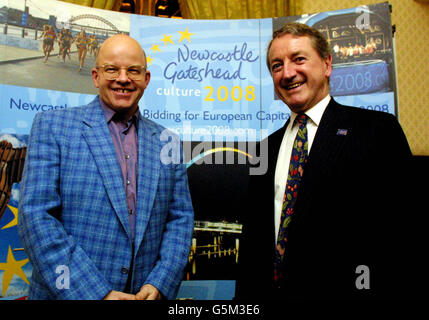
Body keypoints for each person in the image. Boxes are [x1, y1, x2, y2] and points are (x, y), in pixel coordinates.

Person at [236, 22, 424, 299]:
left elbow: (406, 232)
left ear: (326, 65)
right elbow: (254, 243)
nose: (287, 73)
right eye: (277, 66)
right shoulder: (266, 148)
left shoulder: (376, 130)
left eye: (298, 59)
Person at [18, 34, 194, 300]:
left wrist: (160, 284)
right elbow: (36, 218)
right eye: (112, 69)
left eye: (133, 71)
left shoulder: (167, 140)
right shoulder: (52, 126)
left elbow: (179, 219)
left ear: (146, 79)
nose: (123, 78)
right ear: (95, 76)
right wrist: (97, 294)